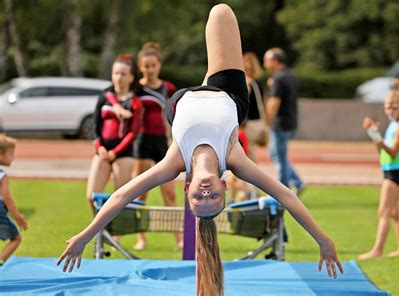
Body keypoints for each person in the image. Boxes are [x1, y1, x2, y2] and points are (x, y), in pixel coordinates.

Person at [58, 5, 342, 295]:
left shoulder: (173, 161)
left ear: (187, 188)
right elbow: (285, 195)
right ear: (223, 185)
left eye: (199, 196)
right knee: (220, 12)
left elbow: (120, 196)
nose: (206, 190)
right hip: (226, 92)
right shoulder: (234, 157)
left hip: (183, 102)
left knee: (217, 17)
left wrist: (84, 236)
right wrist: (322, 239)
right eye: (214, 195)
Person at [105, 42, 182, 251]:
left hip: (162, 143)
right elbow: (109, 93)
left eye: (153, 65)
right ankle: (140, 238)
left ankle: (180, 239)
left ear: (159, 65)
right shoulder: (135, 87)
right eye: (146, 66)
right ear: (139, 66)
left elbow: (174, 116)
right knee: (140, 193)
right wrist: (117, 107)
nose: (149, 69)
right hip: (141, 143)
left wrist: (174, 138)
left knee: (170, 194)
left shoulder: (168, 88)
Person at [358, 79, 399, 259]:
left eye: (394, 107)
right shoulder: (393, 125)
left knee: (384, 211)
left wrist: (377, 137)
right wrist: (373, 134)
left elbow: (394, 151)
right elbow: (381, 150)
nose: (390, 110)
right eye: (387, 106)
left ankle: (377, 250)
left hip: (394, 172)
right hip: (389, 169)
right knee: (395, 212)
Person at [85, 54, 142, 214]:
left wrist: (115, 152)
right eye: (116, 73)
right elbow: (95, 126)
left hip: (124, 153)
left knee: (120, 200)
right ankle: (99, 232)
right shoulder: (104, 97)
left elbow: (133, 132)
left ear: (131, 77)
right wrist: (99, 147)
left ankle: (115, 235)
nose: (119, 77)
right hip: (102, 151)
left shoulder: (135, 102)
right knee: (91, 196)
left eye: (123, 74)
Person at [263, 47, 305, 196]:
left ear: (275, 61)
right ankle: (297, 181)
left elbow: (273, 104)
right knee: (276, 154)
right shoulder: (291, 76)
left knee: (279, 159)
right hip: (291, 122)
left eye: (267, 60)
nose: (265, 64)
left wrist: (266, 124)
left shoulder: (278, 79)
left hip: (280, 124)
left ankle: (283, 192)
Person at [0, 135, 27, 266]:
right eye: (11, 154)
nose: (13, 157)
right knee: (16, 238)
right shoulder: (2, 176)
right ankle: (0, 260)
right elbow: (7, 198)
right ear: (1, 155)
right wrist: (18, 217)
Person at [243, 51, 267, 158]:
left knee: (246, 155)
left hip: (249, 124)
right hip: (259, 123)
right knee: (249, 154)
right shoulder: (259, 83)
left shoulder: (247, 83)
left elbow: (245, 104)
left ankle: (252, 175)